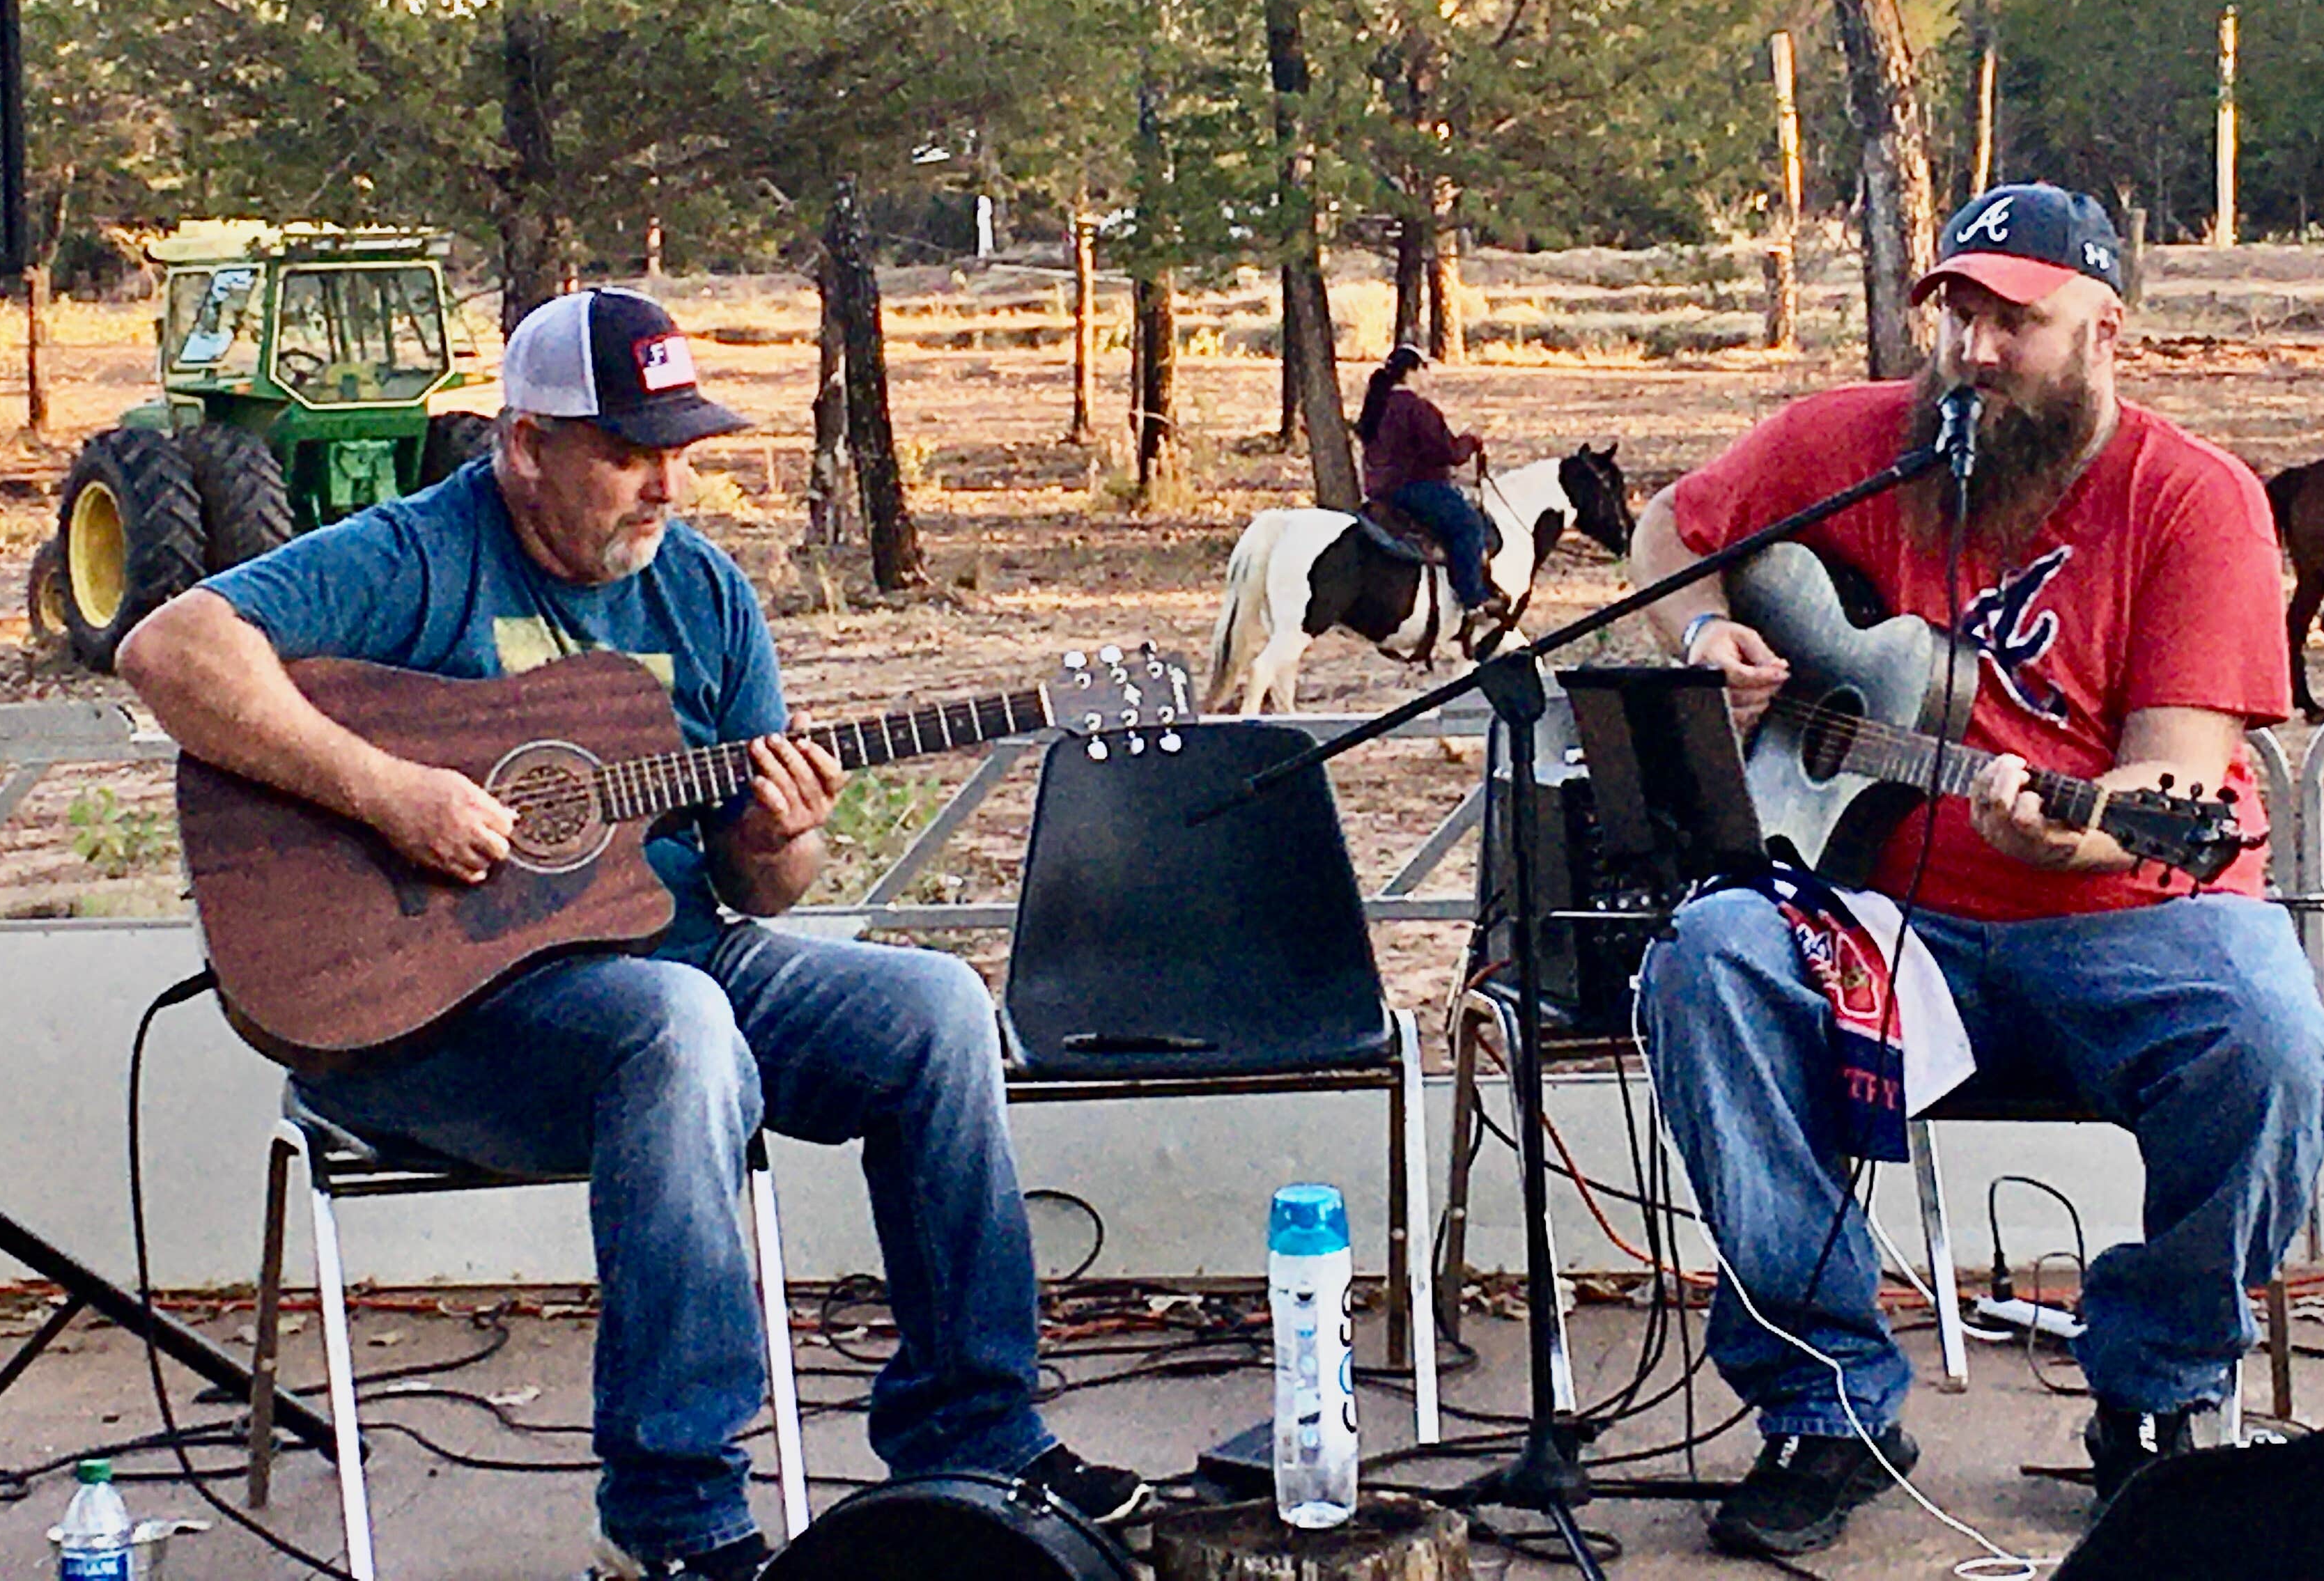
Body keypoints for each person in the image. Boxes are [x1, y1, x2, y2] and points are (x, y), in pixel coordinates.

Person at [118, 288, 1146, 1581]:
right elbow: (168, 647)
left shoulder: (703, 590)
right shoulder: (417, 553)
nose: (662, 484)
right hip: (428, 1025)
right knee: (681, 1024)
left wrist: (778, 836)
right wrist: (389, 791)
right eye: (624, 452)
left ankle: (980, 1436)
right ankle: (673, 1519)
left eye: (678, 449)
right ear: (523, 443)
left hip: (670, 964)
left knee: (933, 1005)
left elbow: (765, 888)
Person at [1625, 185, 2324, 1559]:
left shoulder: (2192, 501)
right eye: (1954, 309)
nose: (1972, 347)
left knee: (2276, 1046)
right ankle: (1823, 1400)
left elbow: (2178, 784)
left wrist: (2060, 829)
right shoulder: (1847, 443)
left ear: (2103, 327)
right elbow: (1672, 530)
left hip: (2132, 913)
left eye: (2013, 319)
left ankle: (2160, 1391)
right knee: (1708, 959)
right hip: (1889, 913)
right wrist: (1703, 637)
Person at [1356, 344, 1506, 630]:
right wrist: (1472, 440)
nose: (1430, 376)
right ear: (1412, 371)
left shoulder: (1378, 406)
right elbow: (1448, 452)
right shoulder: (1418, 409)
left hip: (1381, 490)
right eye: (1426, 368)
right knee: (1468, 525)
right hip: (1415, 489)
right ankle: (1473, 599)